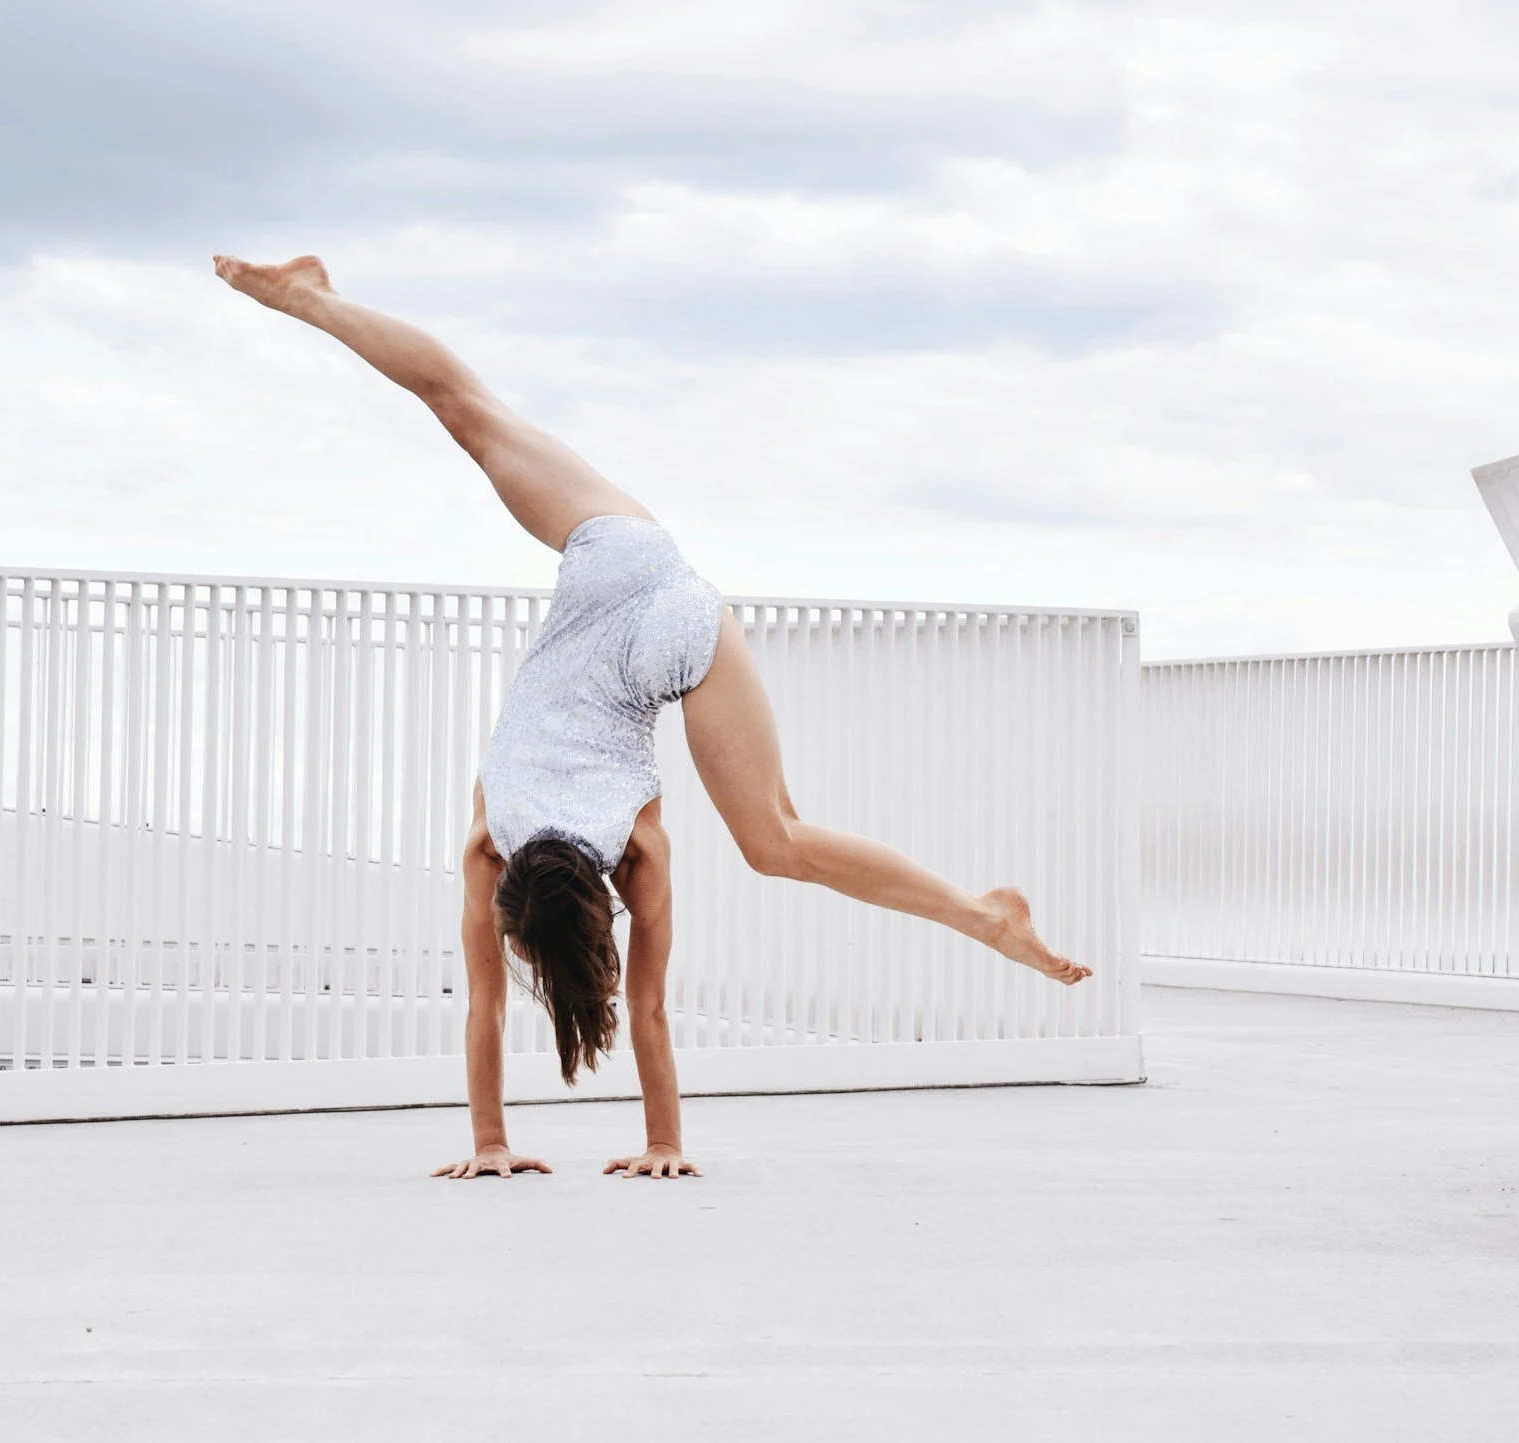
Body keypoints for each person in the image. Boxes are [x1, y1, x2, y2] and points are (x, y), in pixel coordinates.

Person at [214, 255, 1092, 1182]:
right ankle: (313, 299)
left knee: (778, 841)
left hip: (665, 623)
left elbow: (609, 1007)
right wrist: (583, 1144)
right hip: (624, 562)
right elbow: (518, 1005)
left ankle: (984, 914)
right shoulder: (490, 839)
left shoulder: (633, 854)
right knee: (466, 409)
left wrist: (521, 1145)